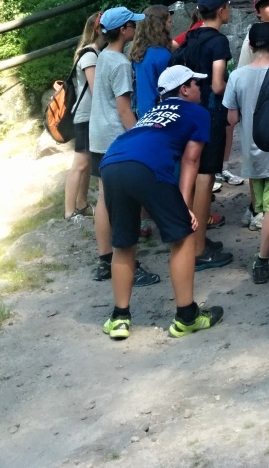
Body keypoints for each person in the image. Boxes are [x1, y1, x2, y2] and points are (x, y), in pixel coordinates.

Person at [99, 64, 224, 340]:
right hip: (147, 167)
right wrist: (184, 207)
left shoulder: (151, 112)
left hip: (112, 163)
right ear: (184, 90)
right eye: (196, 83)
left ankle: (119, 318)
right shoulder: (197, 112)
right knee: (183, 236)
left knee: (124, 243)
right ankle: (187, 316)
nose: (200, 88)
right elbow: (191, 159)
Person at [88, 6, 159, 287]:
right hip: (114, 138)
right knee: (121, 203)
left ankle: (105, 259)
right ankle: (125, 263)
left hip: (98, 136)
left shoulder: (103, 55)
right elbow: (124, 109)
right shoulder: (119, 63)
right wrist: (140, 139)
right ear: (123, 30)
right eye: (132, 25)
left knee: (103, 198)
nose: (136, 28)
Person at [175, 0, 236, 270]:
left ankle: (193, 240)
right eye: (228, 6)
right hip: (210, 115)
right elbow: (218, 84)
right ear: (222, 10)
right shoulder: (219, 42)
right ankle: (198, 250)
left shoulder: (191, 37)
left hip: (188, 113)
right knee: (205, 178)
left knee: (193, 175)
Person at [225, 22, 269, 284]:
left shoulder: (237, 76)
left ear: (250, 46)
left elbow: (231, 119)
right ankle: (262, 259)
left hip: (251, 152)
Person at [64, 13, 107, 220]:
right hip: (86, 115)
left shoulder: (93, 52)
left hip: (88, 115)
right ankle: (69, 211)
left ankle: (81, 204)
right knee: (80, 163)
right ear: (98, 30)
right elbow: (96, 88)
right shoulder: (90, 55)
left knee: (87, 163)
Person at [130, 5, 174, 116]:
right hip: (160, 112)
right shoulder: (162, 55)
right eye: (169, 22)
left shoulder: (139, 53)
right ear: (160, 26)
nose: (171, 25)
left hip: (142, 112)